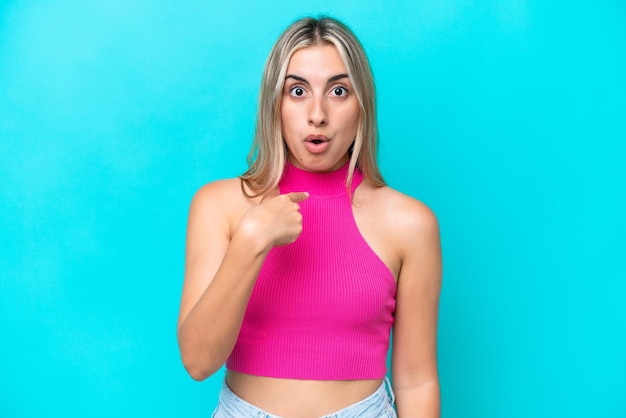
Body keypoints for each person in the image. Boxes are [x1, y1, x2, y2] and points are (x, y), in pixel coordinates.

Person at [177, 16, 442, 418]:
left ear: (362, 104)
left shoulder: (410, 222)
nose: (317, 114)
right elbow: (198, 362)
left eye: (338, 91)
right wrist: (250, 241)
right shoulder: (219, 206)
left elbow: (417, 380)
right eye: (297, 91)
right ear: (274, 103)